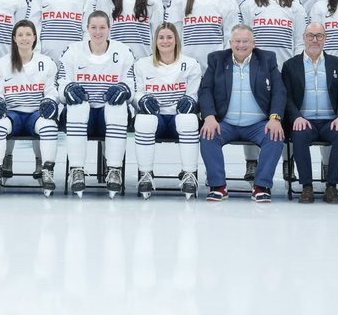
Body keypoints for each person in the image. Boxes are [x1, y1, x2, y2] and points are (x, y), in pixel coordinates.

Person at [197, 24, 286, 203]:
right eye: (237, 41)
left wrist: (275, 118)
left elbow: (279, 91)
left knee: (275, 136)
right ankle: (218, 185)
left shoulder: (267, 58)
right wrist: (209, 116)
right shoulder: (217, 59)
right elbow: (205, 90)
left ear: (253, 43)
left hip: (257, 124)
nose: (241, 45)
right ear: (230, 43)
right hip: (226, 123)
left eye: (245, 41)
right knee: (208, 135)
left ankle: (261, 186)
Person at [57, 11, 136, 197]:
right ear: (87, 28)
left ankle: (114, 170)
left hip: (108, 115)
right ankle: (76, 170)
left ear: (109, 28)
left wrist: (124, 89)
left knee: (117, 106)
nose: (98, 32)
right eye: (93, 27)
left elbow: (131, 86)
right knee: (77, 106)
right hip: (82, 115)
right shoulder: (73, 51)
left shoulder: (122, 51)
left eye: (102, 27)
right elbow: (61, 85)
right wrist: (67, 89)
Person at [0, 20, 61, 196]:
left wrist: (51, 101)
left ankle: (47, 170)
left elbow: (52, 91)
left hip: (36, 114)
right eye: (20, 35)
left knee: (49, 125)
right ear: (14, 38)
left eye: (28, 34)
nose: (24, 38)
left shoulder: (46, 62)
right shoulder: (2, 63)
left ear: (34, 37)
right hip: (13, 115)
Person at [281, 22, 338, 204]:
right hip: (305, 121)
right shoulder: (290, 65)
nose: (315, 40)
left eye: (319, 36)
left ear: (325, 39)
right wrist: (296, 117)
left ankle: (332, 187)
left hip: (331, 121)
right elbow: (286, 97)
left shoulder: (337, 63)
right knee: (298, 133)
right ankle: (307, 187)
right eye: (311, 35)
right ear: (304, 38)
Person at [131, 22, 203, 199]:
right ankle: (145, 175)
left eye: (169, 37)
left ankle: (189, 174)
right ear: (155, 41)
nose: (165, 41)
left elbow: (194, 94)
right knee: (144, 120)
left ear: (176, 40)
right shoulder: (142, 64)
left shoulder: (190, 64)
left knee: (189, 119)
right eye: (161, 37)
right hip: (157, 118)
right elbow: (136, 93)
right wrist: (142, 100)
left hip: (177, 118)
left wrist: (191, 101)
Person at [238, 0, 307, 68]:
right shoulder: (248, 5)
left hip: (285, 69)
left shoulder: (296, 7)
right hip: (256, 68)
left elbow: (300, 43)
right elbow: (244, 40)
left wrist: (295, 67)